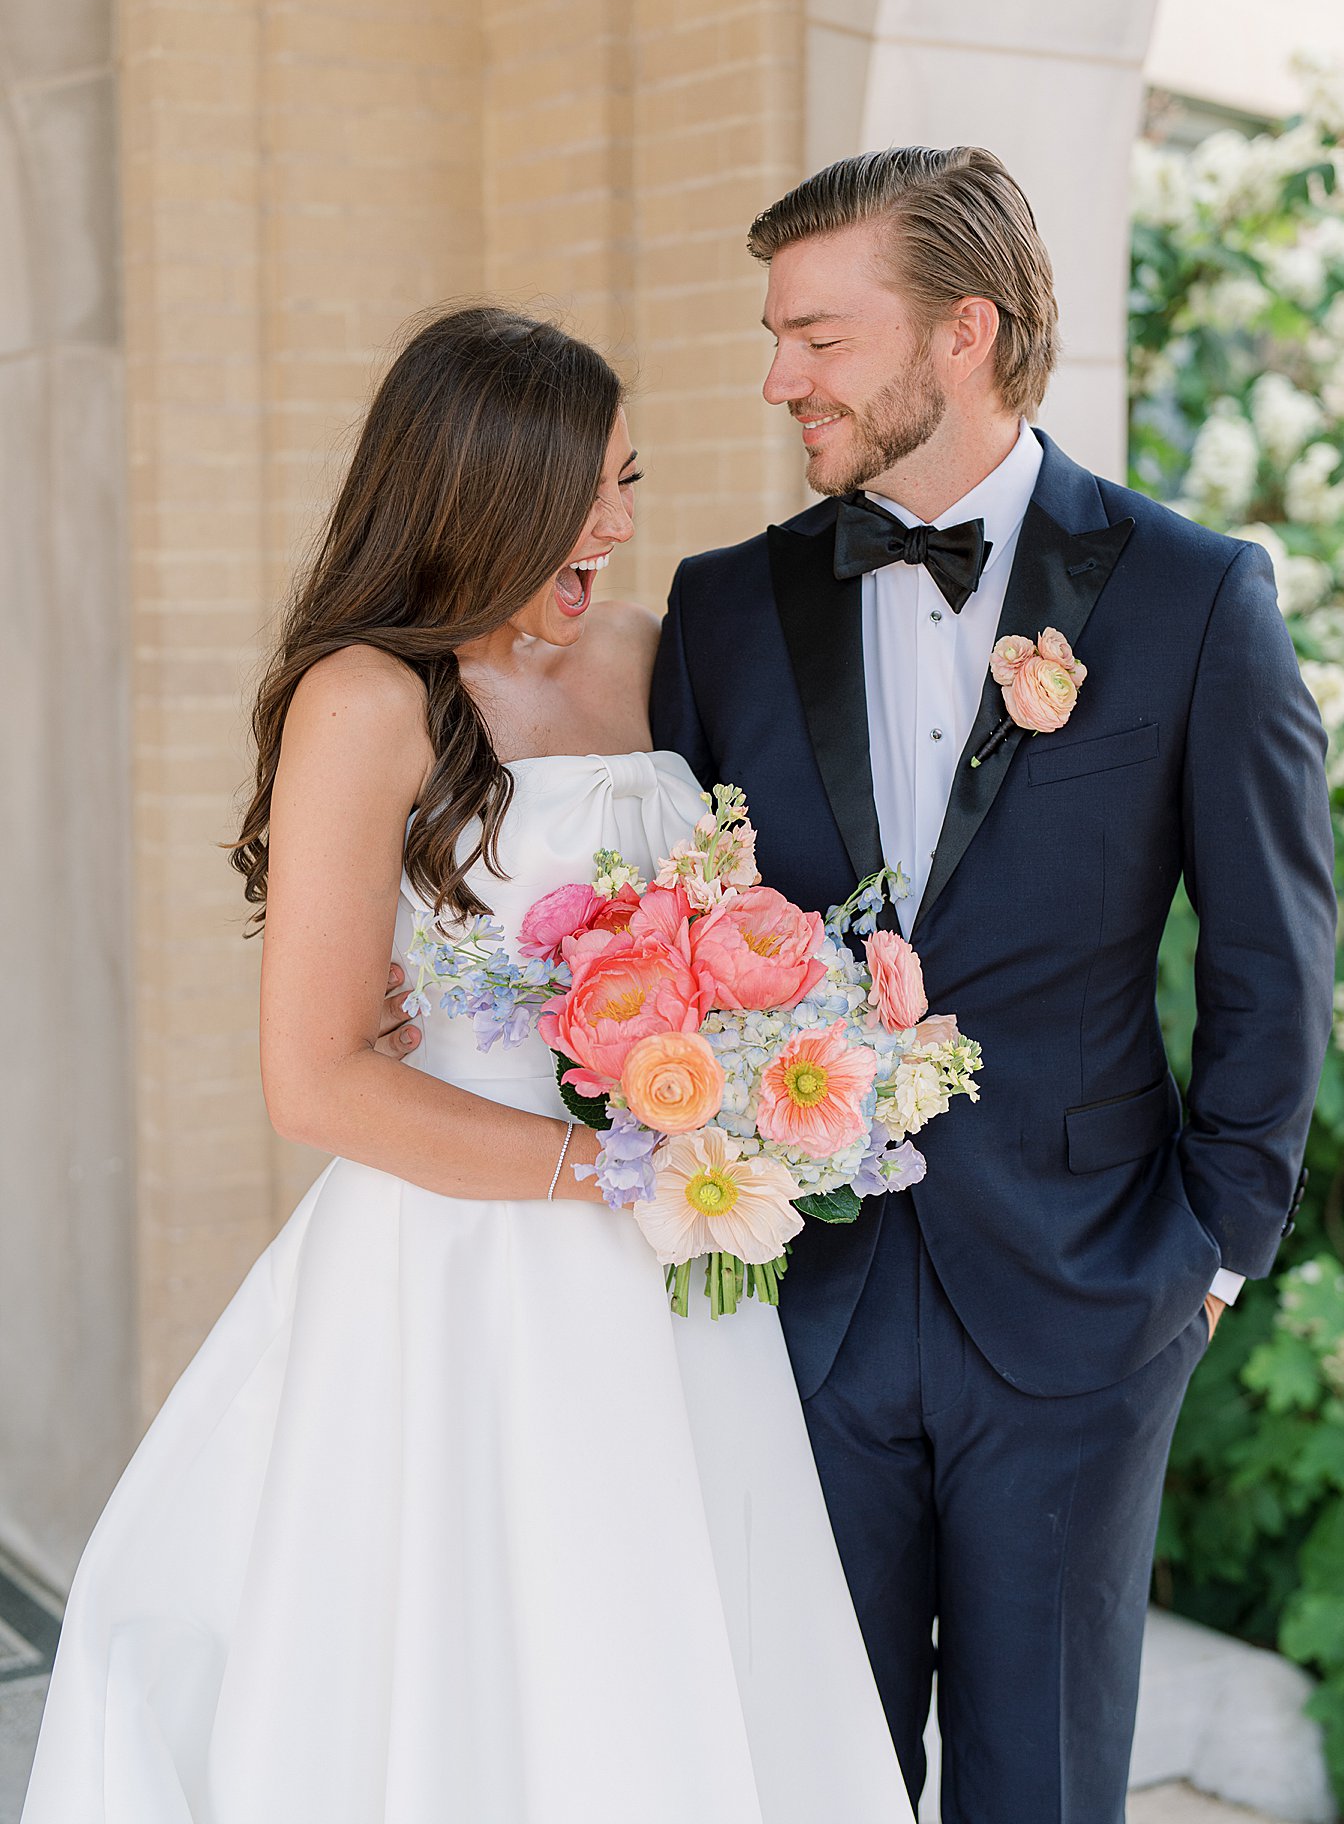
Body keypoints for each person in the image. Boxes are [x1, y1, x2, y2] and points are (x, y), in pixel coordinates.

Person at [20, 306, 912, 1824]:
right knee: (475, 1659)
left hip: (681, 1262)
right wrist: (610, 1167)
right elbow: (315, 1079)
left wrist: (765, 1069)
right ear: (482, 487)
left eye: (630, 484)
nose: (616, 529)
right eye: (586, 493)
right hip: (467, 1259)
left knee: (670, 1650)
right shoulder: (365, 701)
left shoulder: (650, 656)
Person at [649, 146, 1337, 1824]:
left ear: (964, 332)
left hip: (1089, 1300)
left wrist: (1210, 1258)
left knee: (1045, 1791)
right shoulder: (724, 610)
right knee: (813, 1788)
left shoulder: (1193, 597)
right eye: (774, 336)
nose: (779, 378)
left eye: (819, 336)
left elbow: (1274, 949)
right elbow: (669, 939)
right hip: (805, 1311)